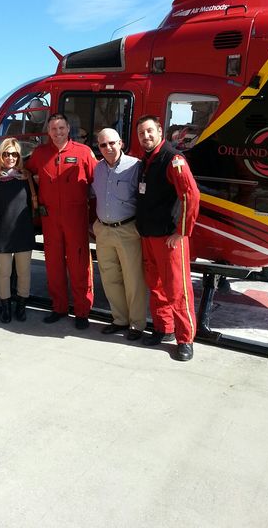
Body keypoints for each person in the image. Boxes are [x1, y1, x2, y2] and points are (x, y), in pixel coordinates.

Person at [135, 115, 200, 361]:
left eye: (149, 131)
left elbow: (190, 196)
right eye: (142, 133)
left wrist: (181, 231)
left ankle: (186, 339)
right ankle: (164, 328)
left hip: (169, 239)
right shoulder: (147, 160)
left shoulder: (173, 159)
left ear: (160, 131)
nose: (146, 136)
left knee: (178, 290)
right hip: (148, 235)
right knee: (156, 287)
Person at [27, 113, 97, 329]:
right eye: (53, 129)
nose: (58, 133)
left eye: (61, 128)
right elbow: (26, 172)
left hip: (75, 219)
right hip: (50, 220)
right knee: (54, 265)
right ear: (48, 132)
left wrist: (96, 219)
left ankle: (82, 311)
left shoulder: (83, 152)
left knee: (79, 265)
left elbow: (99, 183)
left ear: (68, 129)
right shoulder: (40, 153)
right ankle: (58, 307)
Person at [91, 128, 147, 341]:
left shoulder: (135, 166)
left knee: (133, 279)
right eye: (103, 145)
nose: (108, 148)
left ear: (121, 143)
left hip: (127, 230)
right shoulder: (97, 169)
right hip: (103, 230)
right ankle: (119, 319)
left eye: (112, 143)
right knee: (109, 276)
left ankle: (136, 324)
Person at [0, 138, 35, 323]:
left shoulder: (26, 178)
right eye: (6, 154)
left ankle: (21, 306)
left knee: (24, 272)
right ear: (0, 156)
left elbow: (32, 204)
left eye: (14, 154)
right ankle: (5, 306)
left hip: (23, 231)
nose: (11, 157)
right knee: (3, 273)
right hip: (1, 234)